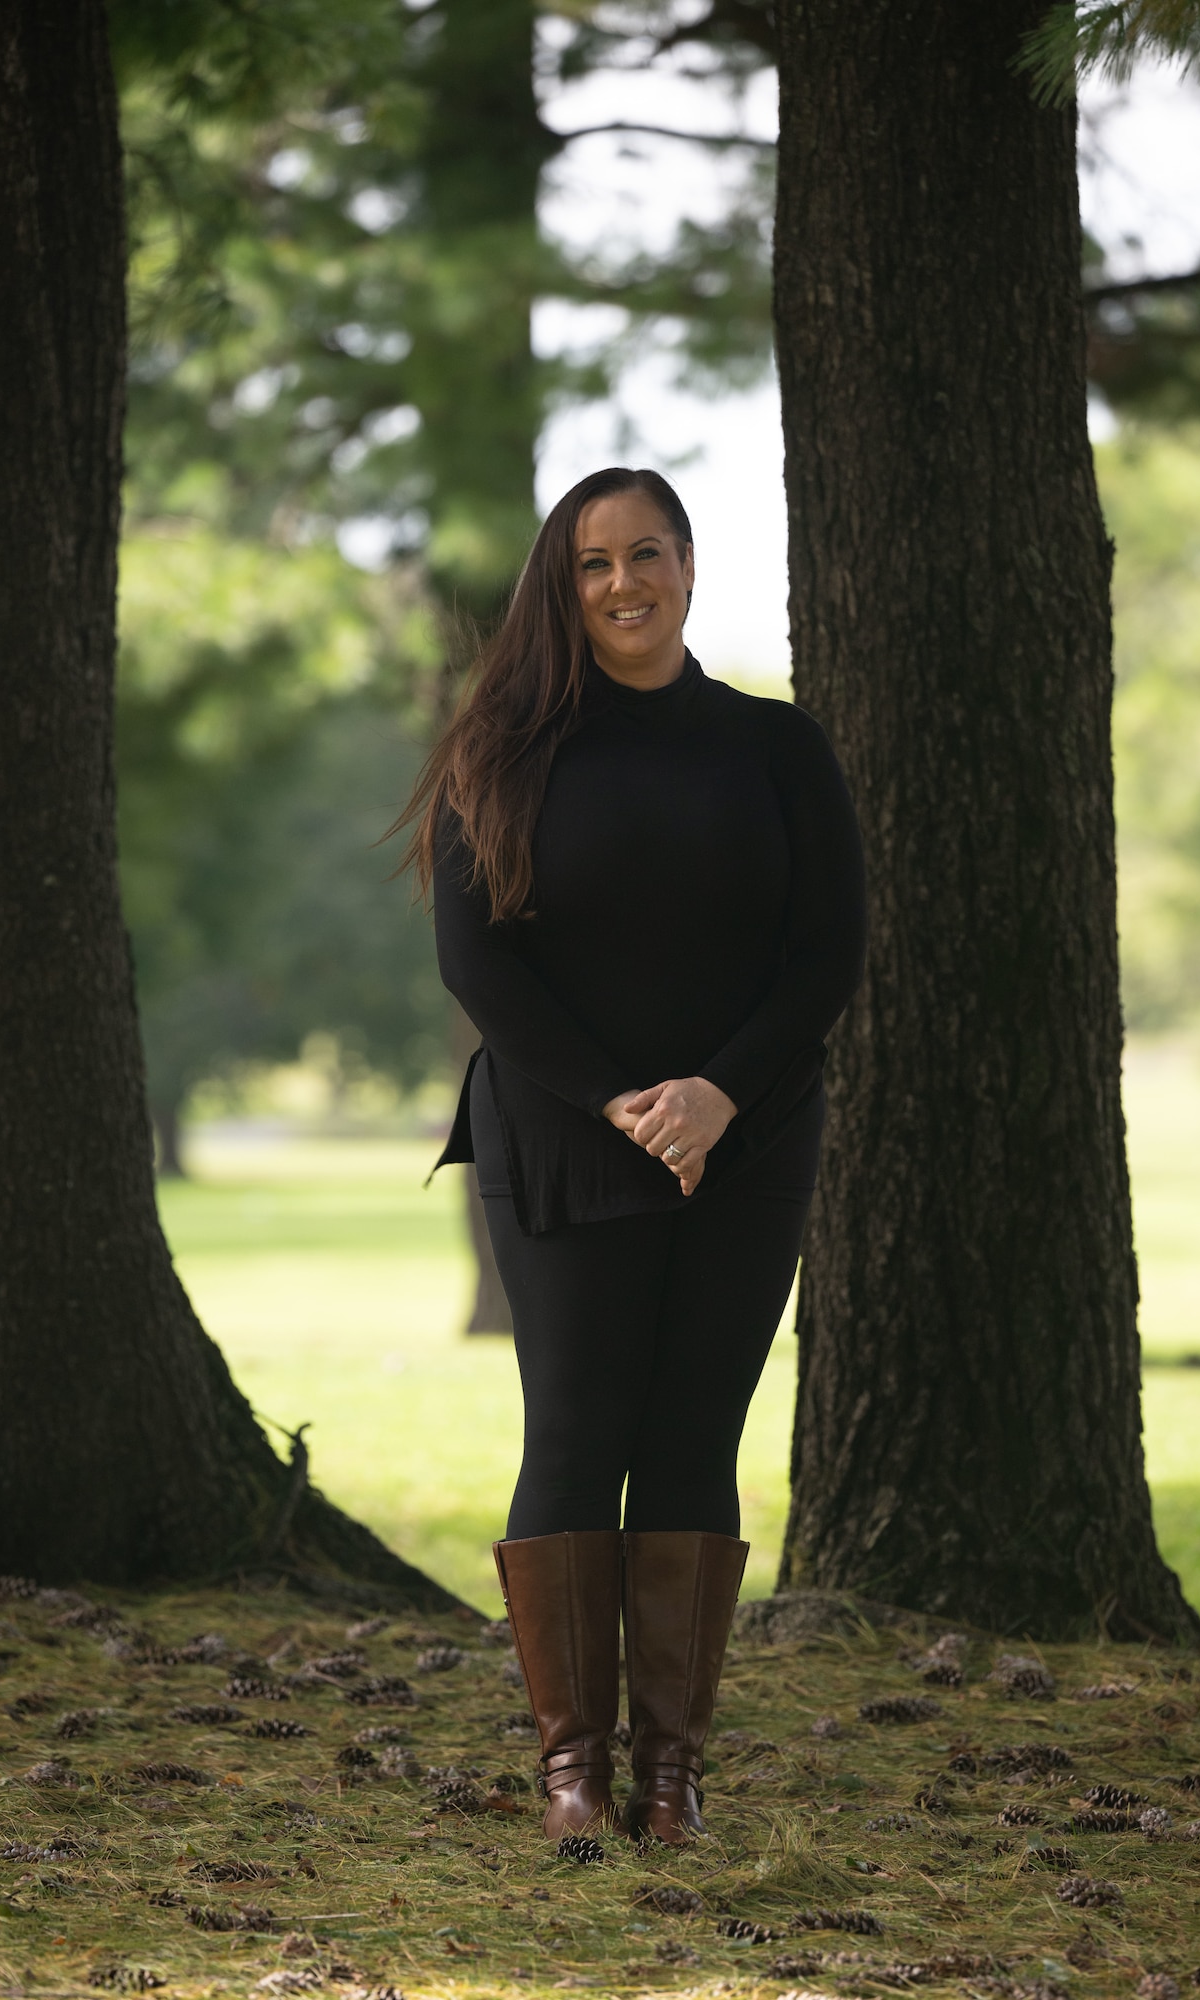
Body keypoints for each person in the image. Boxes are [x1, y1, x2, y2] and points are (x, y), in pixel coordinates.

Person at [397, 466, 866, 1845]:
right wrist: (620, 1103)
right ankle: (572, 1774)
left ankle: (671, 1775)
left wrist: (716, 1096)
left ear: (689, 565)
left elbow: (826, 952)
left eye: (645, 554)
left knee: (691, 1436)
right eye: (593, 563)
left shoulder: (779, 748)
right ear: (565, 587)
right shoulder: (499, 752)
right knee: (575, 1429)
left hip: (748, 1137)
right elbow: (478, 966)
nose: (622, 584)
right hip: (561, 1136)